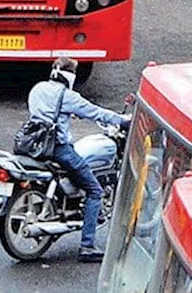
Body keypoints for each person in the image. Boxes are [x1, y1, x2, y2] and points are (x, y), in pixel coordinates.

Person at [26, 57, 129, 262]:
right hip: (59, 150)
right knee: (94, 190)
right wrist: (123, 120)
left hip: (34, 147)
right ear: (70, 75)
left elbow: (45, 112)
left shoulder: (37, 88)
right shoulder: (67, 96)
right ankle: (88, 246)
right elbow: (96, 112)